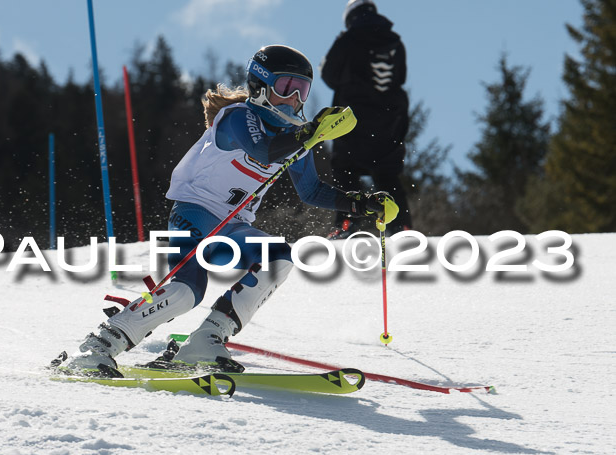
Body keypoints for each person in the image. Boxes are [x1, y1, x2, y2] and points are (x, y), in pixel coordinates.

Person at [56, 45, 398, 375]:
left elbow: (311, 191)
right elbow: (264, 151)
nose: (295, 99)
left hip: (232, 226)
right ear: (260, 86)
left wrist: (362, 202)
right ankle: (99, 346)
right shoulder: (238, 117)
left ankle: (207, 339)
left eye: (302, 91)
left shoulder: (296, 136)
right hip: (195, 213)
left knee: (278, 257)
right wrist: (309, 134)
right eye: (286, 87)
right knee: (185, 292)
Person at [321, 0, 412, 238]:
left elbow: (330, 75)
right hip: (390, 117)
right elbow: (400, 76)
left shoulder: (348, 40)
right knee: (386, 172)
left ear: (350, 17)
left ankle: (347, 224)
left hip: (355, 116)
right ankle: (401, 227)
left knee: (345, 168)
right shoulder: (395, 41)